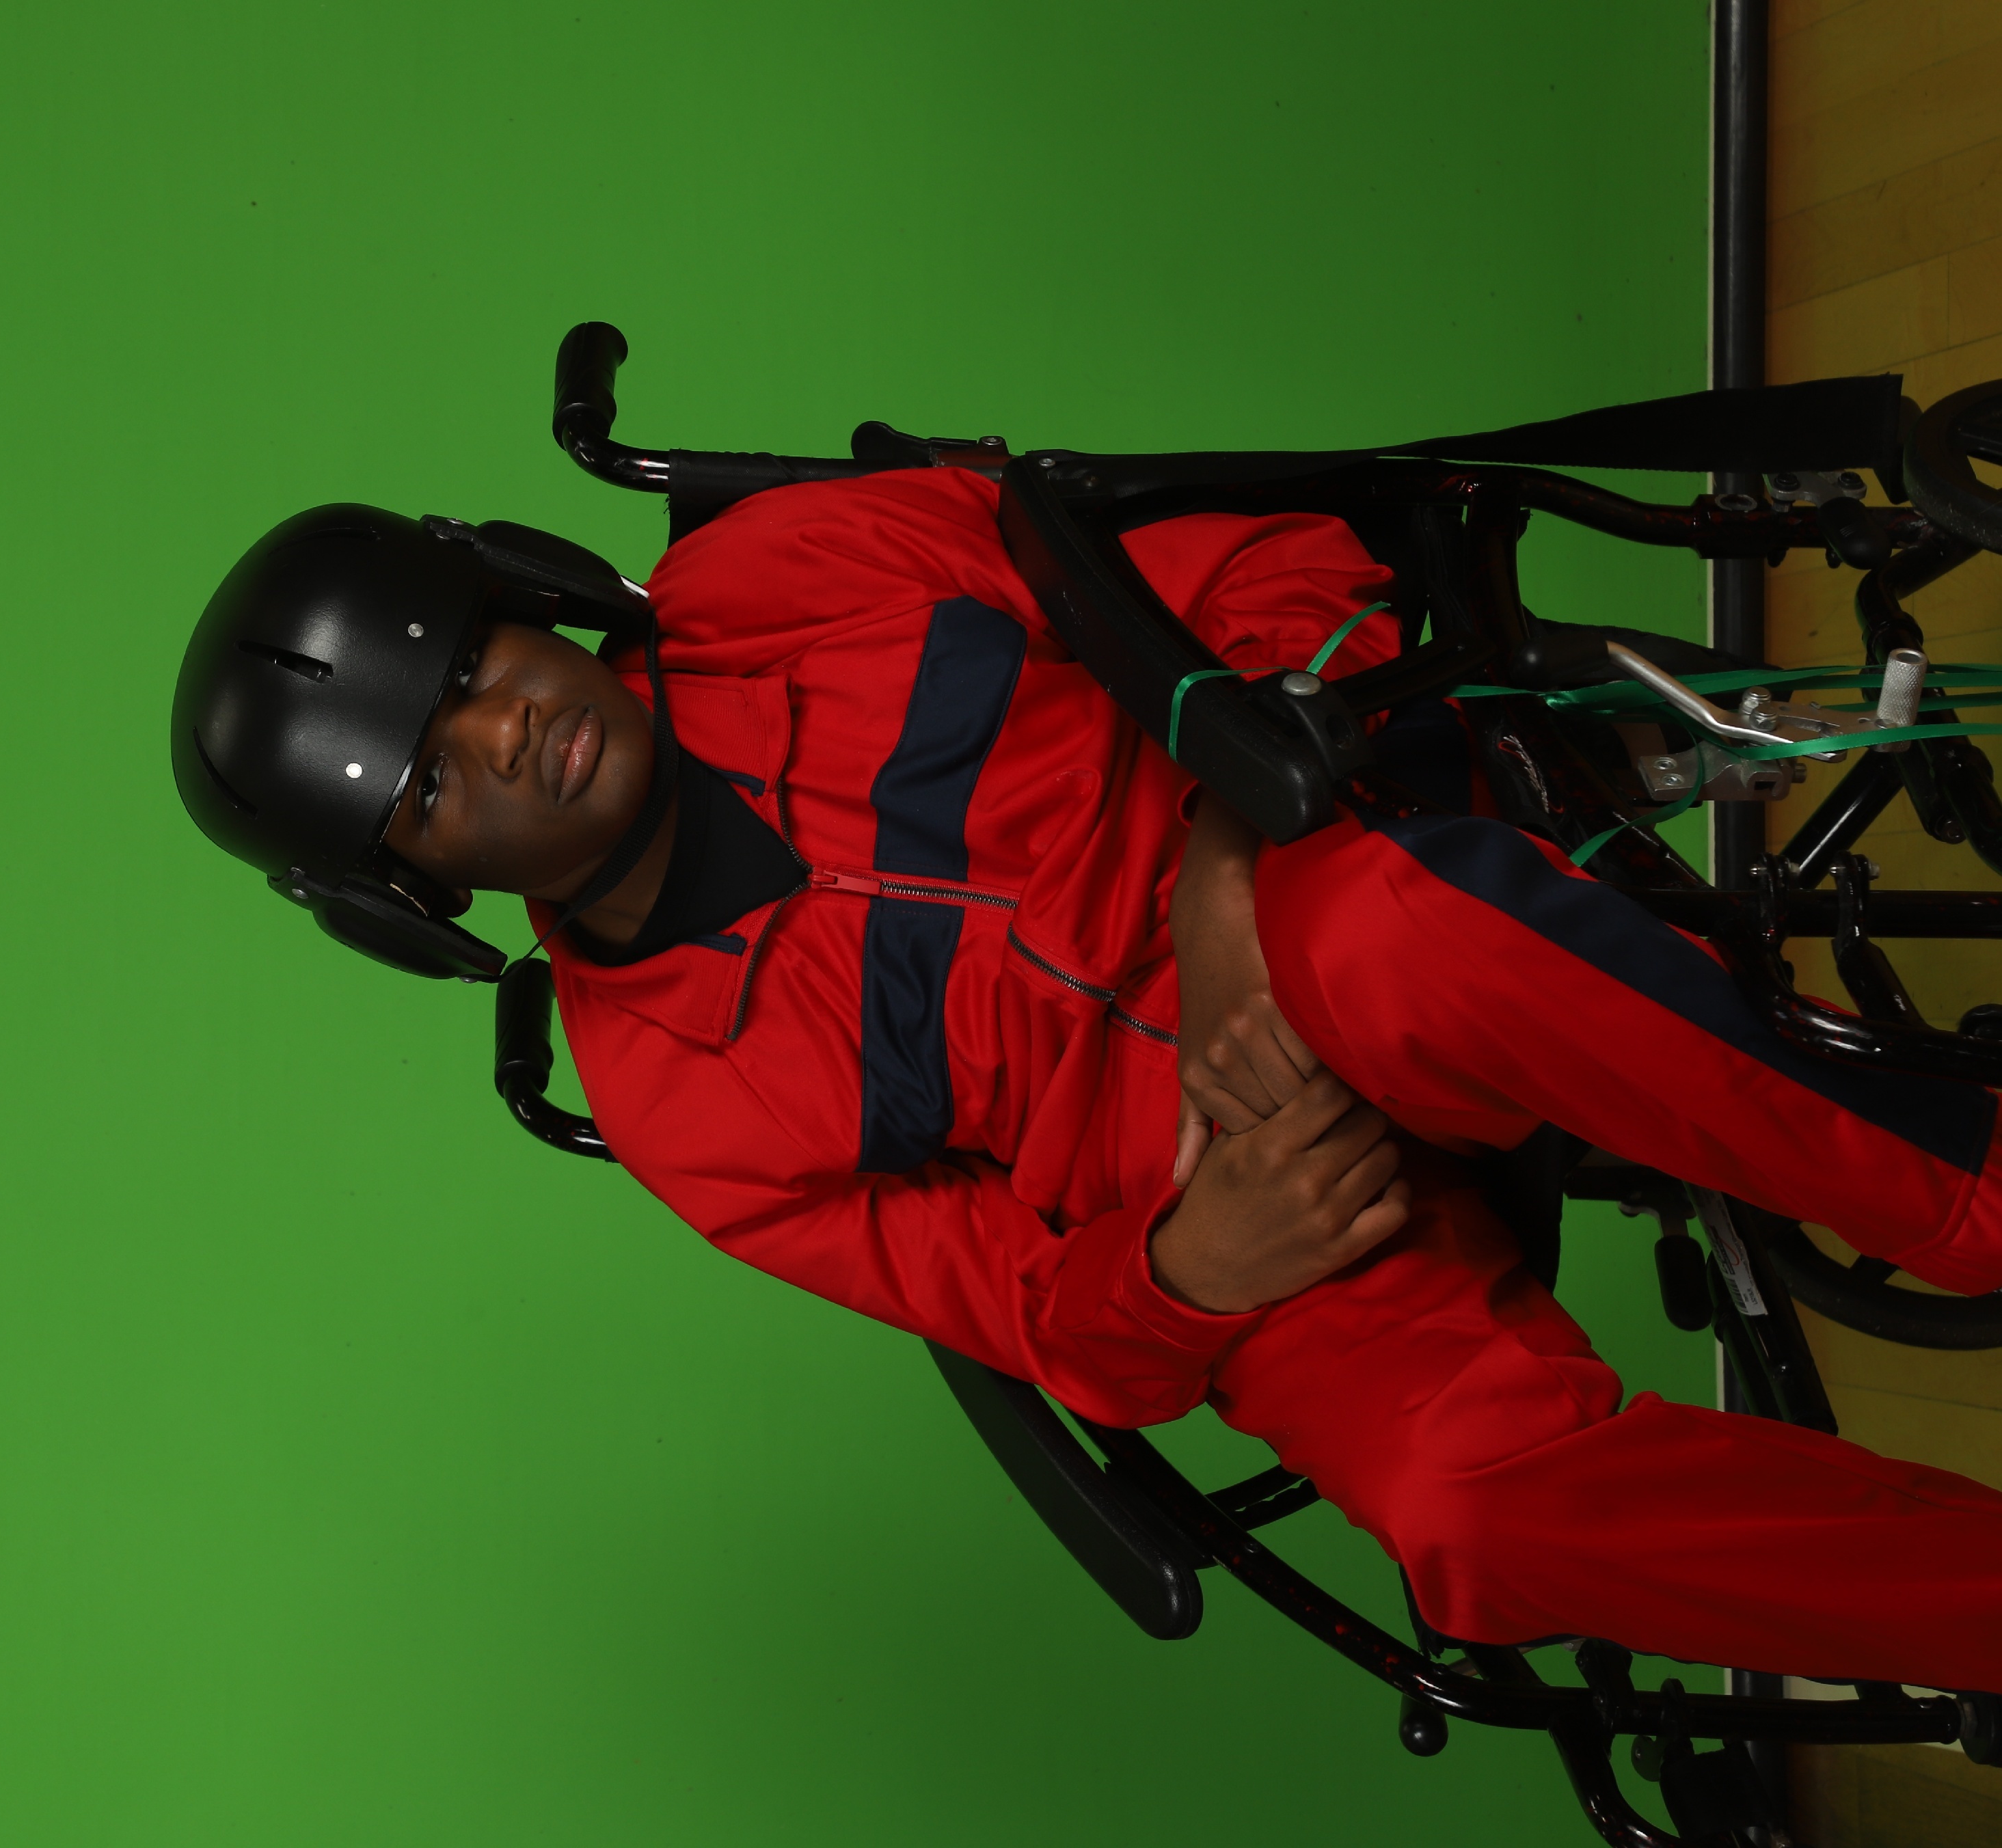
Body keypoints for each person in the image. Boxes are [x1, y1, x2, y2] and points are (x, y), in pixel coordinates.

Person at [173, 470, 2002, 1689]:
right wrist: (1198, 1265)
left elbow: (1250, 566)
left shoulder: (776, 577)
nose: (507, 730)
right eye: (431, 782)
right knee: (1467, 1513)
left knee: (1388, 939)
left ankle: (1980, 1197)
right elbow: (1035, 1321)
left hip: (1330, 883)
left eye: (469, 663)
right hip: (1253, 1223)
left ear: (521, 595)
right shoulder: (680, 1110)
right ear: (414, 893)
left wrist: (1226, 846)